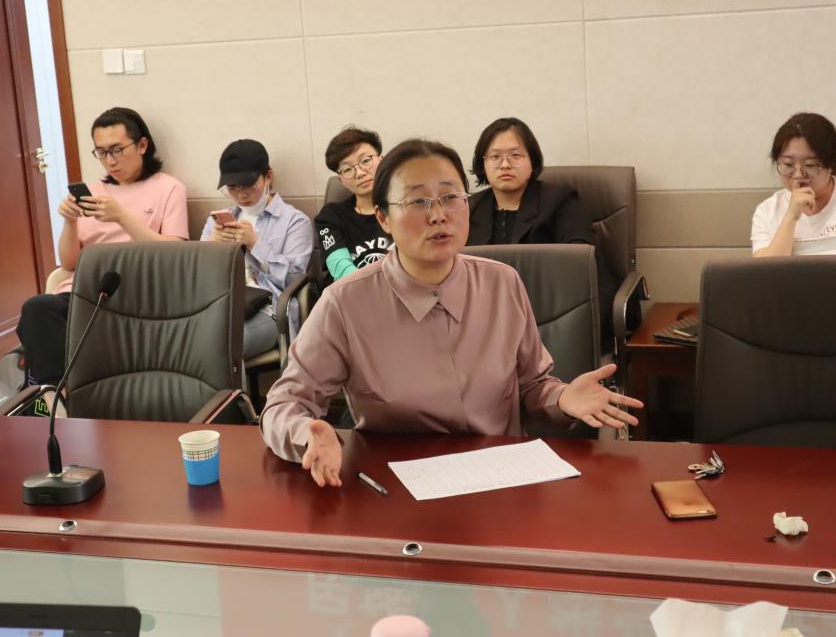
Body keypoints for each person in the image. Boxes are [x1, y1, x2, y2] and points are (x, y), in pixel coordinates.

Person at [261, 138, 642, 488]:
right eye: (417, 202)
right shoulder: (345, 303)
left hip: (500, 481)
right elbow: (284, 405)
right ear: (383, 218)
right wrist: (306, 435)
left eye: (450, 197)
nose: (438, 215)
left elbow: (531, 387)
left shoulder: (502, 283)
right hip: (395, 490)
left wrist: (563, 398)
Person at [15, 107, 188, 386]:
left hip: (135, 292)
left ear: (142, 145)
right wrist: (70, 222)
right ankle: (54, 394)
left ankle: (53, 394)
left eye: (117, 150)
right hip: (82, 290)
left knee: (42, 332)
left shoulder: (168, 188)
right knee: (36, 309)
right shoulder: (93, 191)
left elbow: (176, 254)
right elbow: (69, 264)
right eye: (102, 152)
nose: (110, 161)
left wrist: (121, 217)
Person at [467, 116, 619, 348]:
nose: (505, 165)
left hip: (551, 319)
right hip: (486, 323)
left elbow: (581, 266)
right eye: (495, 157)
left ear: (532, 160)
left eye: (515, 156)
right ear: (483, 164)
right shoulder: (469, 208)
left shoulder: (560, 201)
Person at [201, 139, 314, 357]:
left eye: (249, 185)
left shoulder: (294, 221)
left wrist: (255, 244)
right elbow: (197, 277)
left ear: (268, 176)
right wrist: (213, 245)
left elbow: (294, 280)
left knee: (221, 344)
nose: (241, 194)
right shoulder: (217, 221)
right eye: (232, 188)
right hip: (221, 304)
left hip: (267, 308)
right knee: (185, 339)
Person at [752, 112, 836, 256]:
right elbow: (767, 269)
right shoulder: (767, 211)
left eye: (810, 165)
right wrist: (790, 217)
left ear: (831, 165)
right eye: (788, 164)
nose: (798, 175)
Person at [315, 126, 393, 281]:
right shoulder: (330, 216)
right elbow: (340, 267)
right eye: (347, 169)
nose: (360, 173)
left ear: (382, 160)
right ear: (341, 180)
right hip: (351, 291)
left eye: (366, 161)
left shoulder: (403, 206)